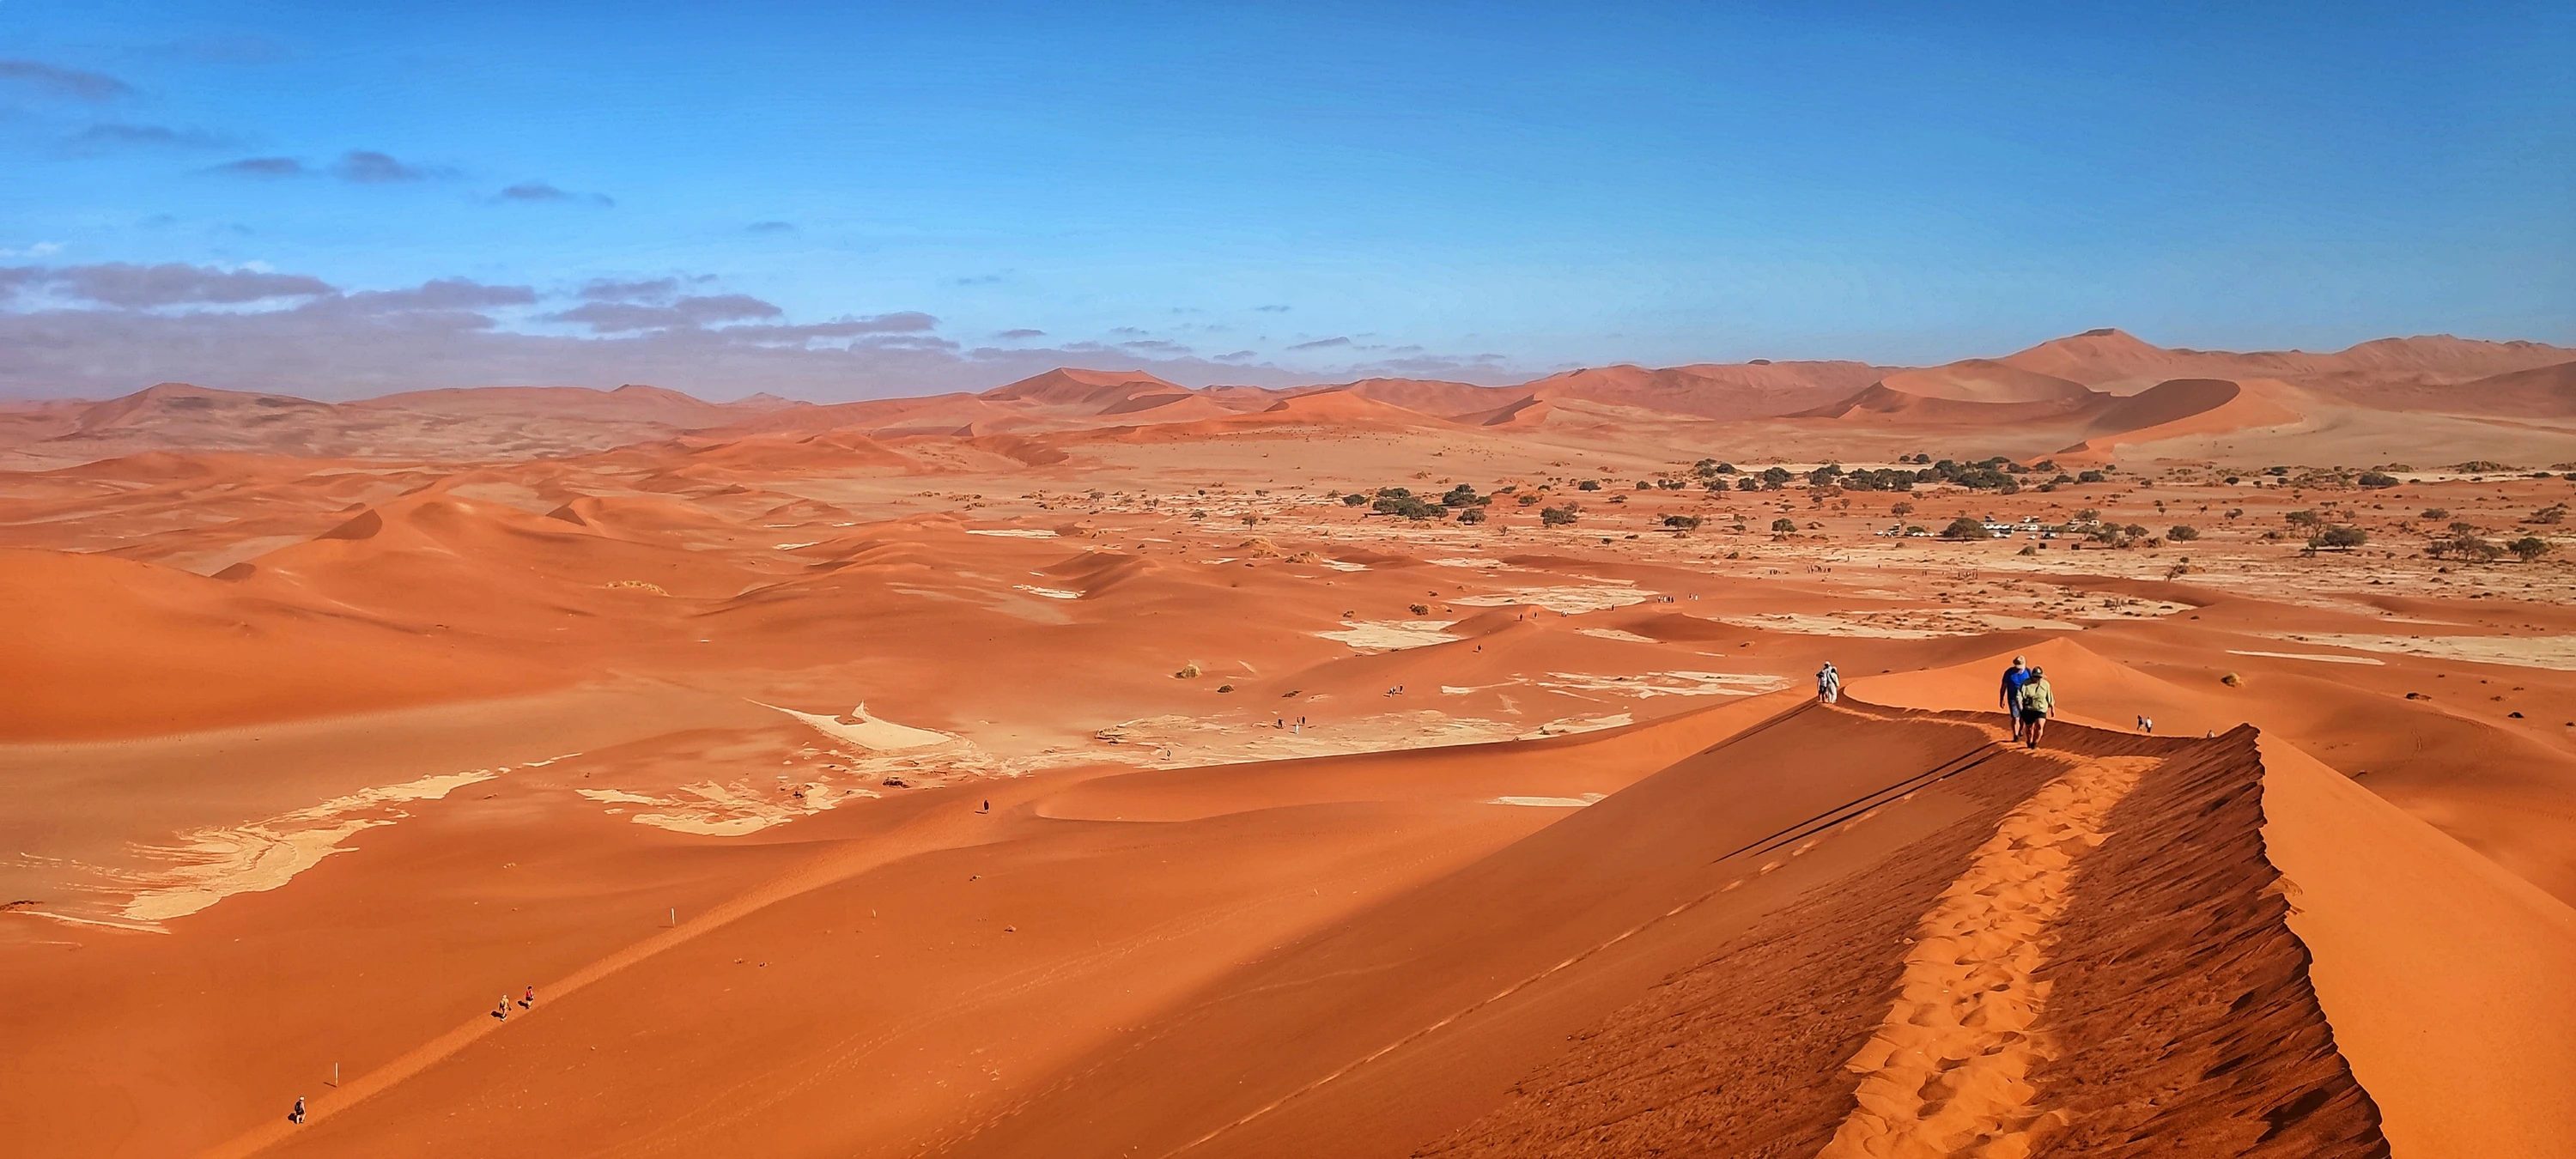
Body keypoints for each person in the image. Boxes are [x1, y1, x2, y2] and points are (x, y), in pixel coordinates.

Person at [2017, 667, 2056, 749]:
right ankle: (2029, 741)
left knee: (2039, 726)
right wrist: (2020, 704)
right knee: (2029, 728)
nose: (2037, 678)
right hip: (2028, 709)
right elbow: (2019, 695)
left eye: (2039, 677)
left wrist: (2052, 708)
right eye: (2036, 676)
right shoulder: (2025, 684)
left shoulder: (2046, 685)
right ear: (2032, 676)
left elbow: (2049, 696)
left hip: (2041, 709)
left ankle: (2034, 744)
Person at [1998, 656, 2032, 743]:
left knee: (2023, 718)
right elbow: (2003, 687)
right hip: (2013, 698)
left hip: (2025, 698)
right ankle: (2016, 736)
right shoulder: (2008, 673)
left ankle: (2020, 729)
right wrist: (2002, 699)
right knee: (2015, 717)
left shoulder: (2028, 672)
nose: (2019, 669)